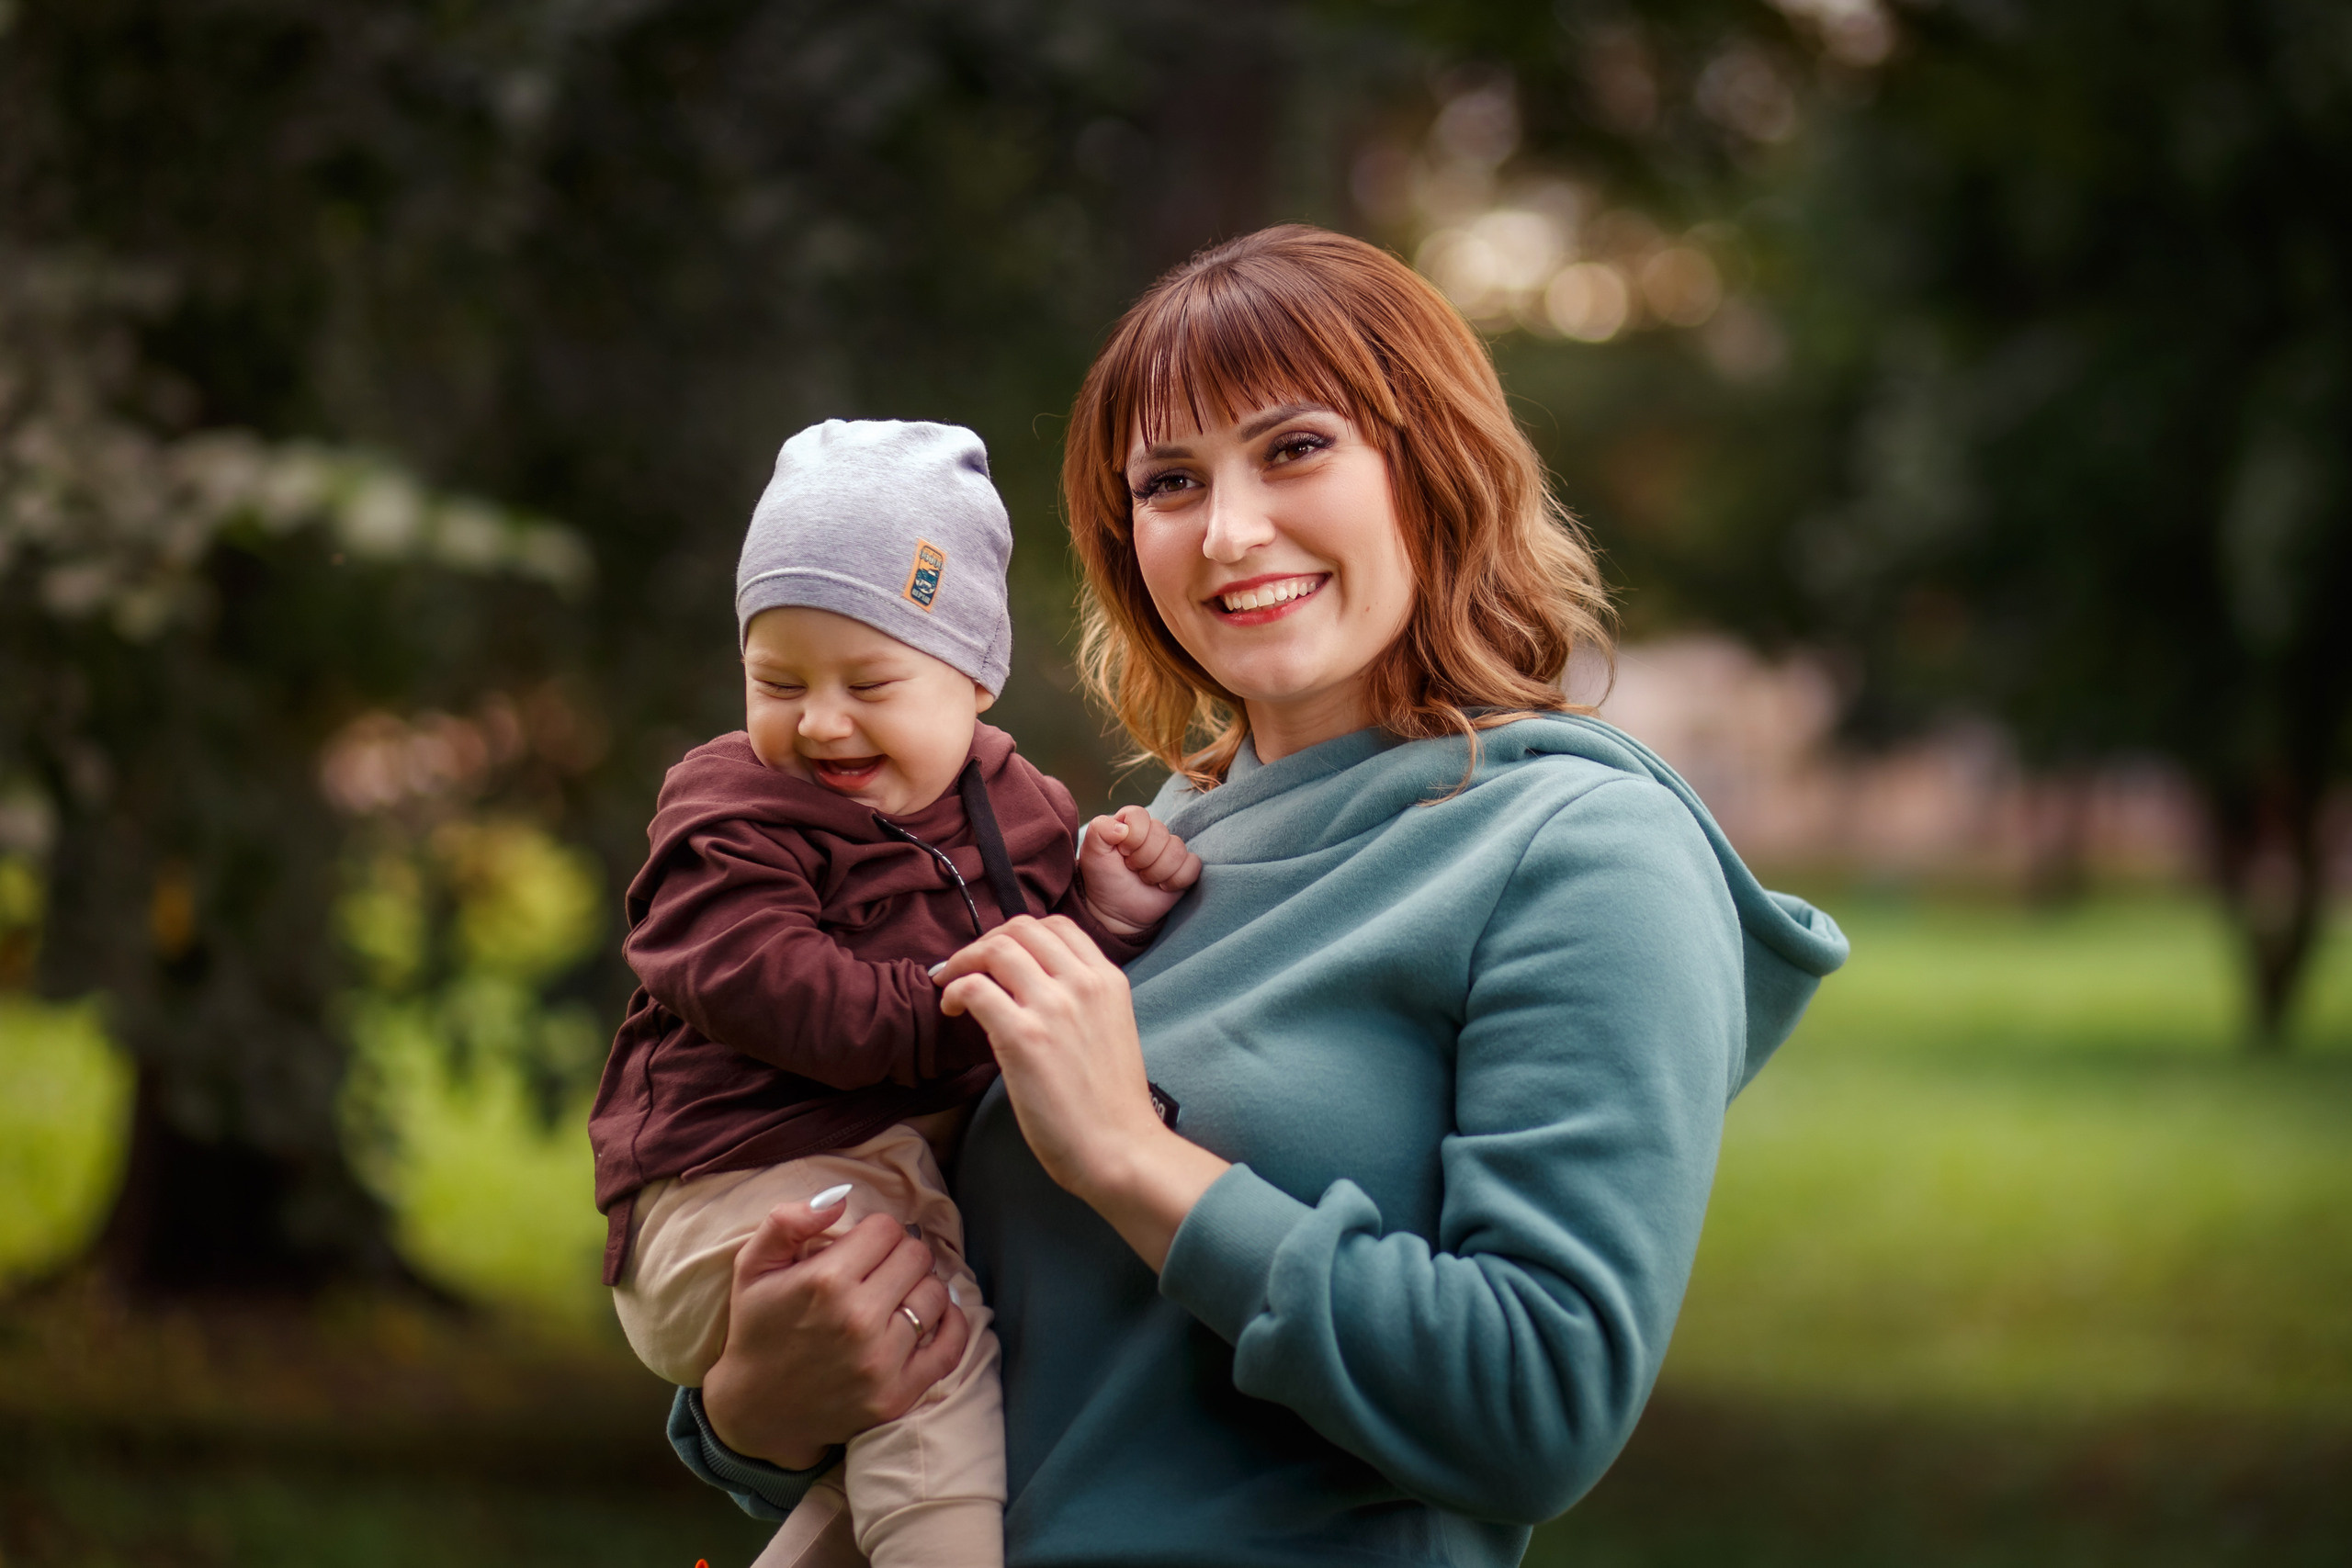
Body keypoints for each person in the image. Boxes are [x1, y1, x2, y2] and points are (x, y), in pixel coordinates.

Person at [670, 227, 1850, 1568]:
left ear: (1432, 466)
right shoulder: (1152, 848)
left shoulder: (1580, 848)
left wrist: (1135, 1156)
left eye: (1295, 447)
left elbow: (1540, 1402)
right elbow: (1037, 1370)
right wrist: (746, 1412)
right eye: (1171, 480)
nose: (1230, 531)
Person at [590, 418, 1201, 1568]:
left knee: (916, 1409)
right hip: (732, 1188)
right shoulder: (728, 814)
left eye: (868, 680)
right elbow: (767, 985)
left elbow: (1044, 959)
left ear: (974, 676)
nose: (820, 721)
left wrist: (1099, 920)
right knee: (939, 1350)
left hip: (868, 1171)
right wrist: (979, 1010)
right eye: (777, 681)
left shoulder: (1019, 810)